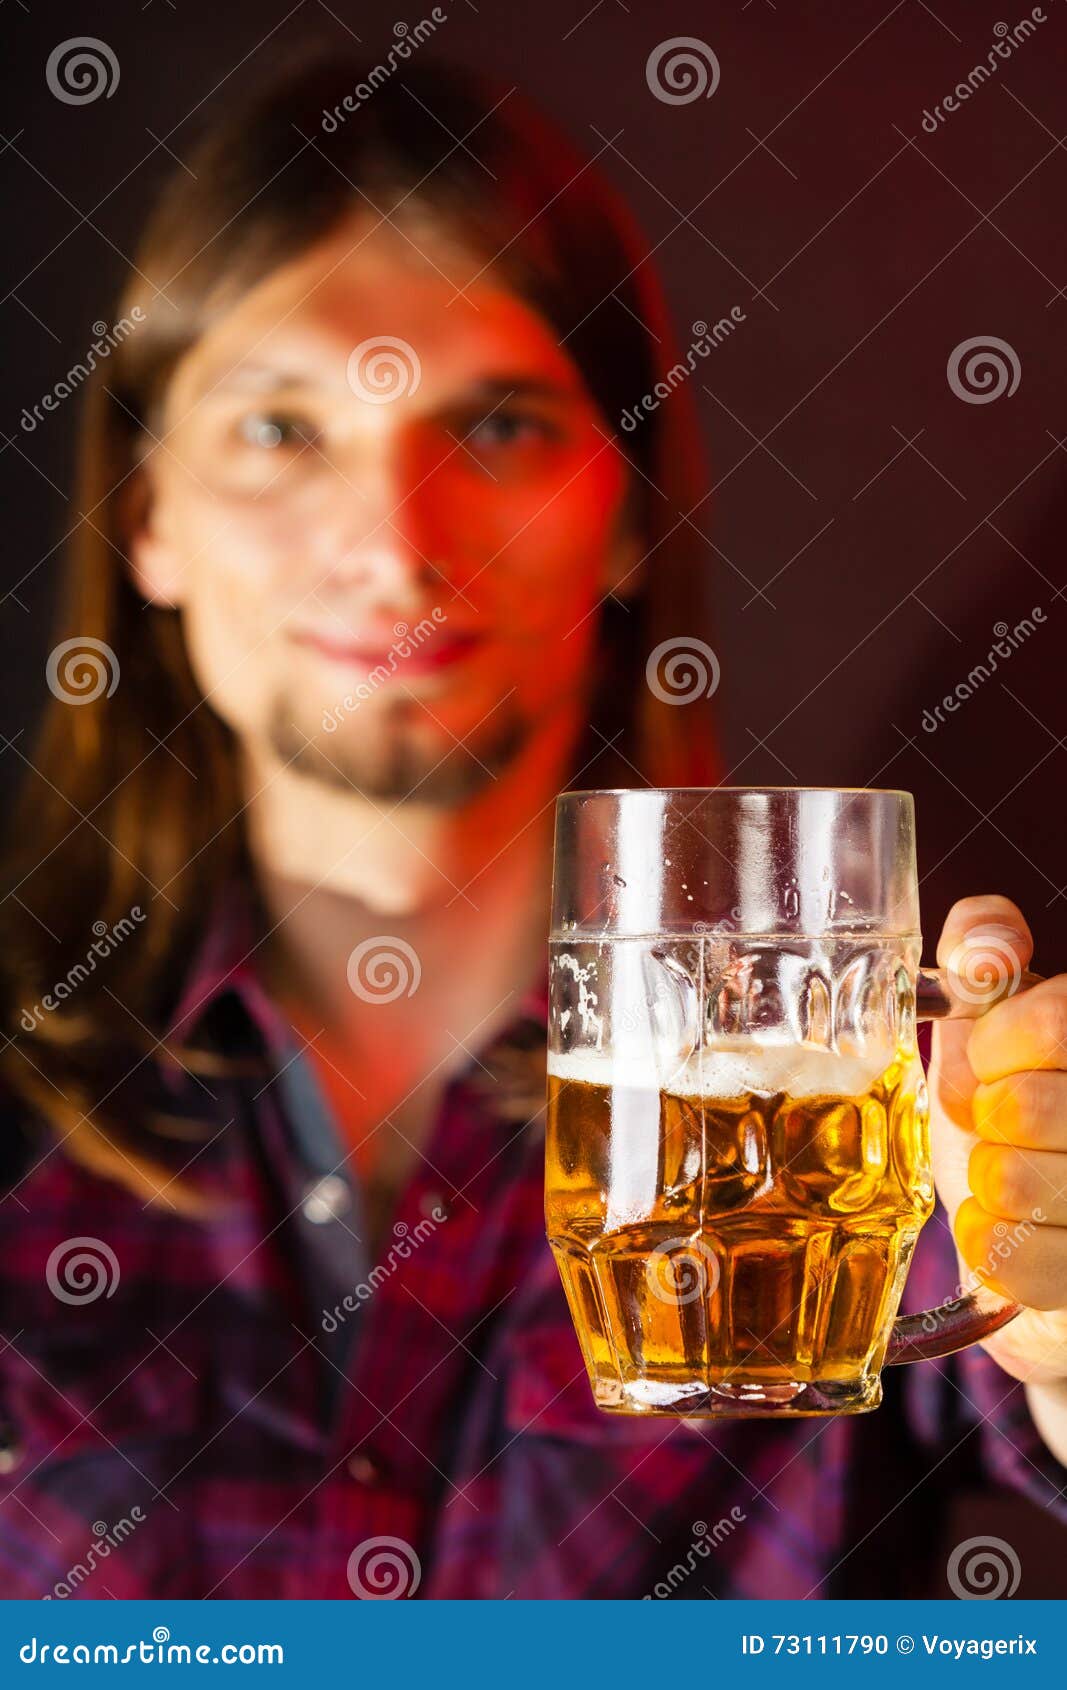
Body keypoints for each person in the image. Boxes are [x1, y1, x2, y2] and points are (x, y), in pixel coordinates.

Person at [1, 49, 1065, 1601]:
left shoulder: (849, 1105)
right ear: (145, 514)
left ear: (628, 507)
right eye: (281, 431)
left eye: (493, 426)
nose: (392, 540)